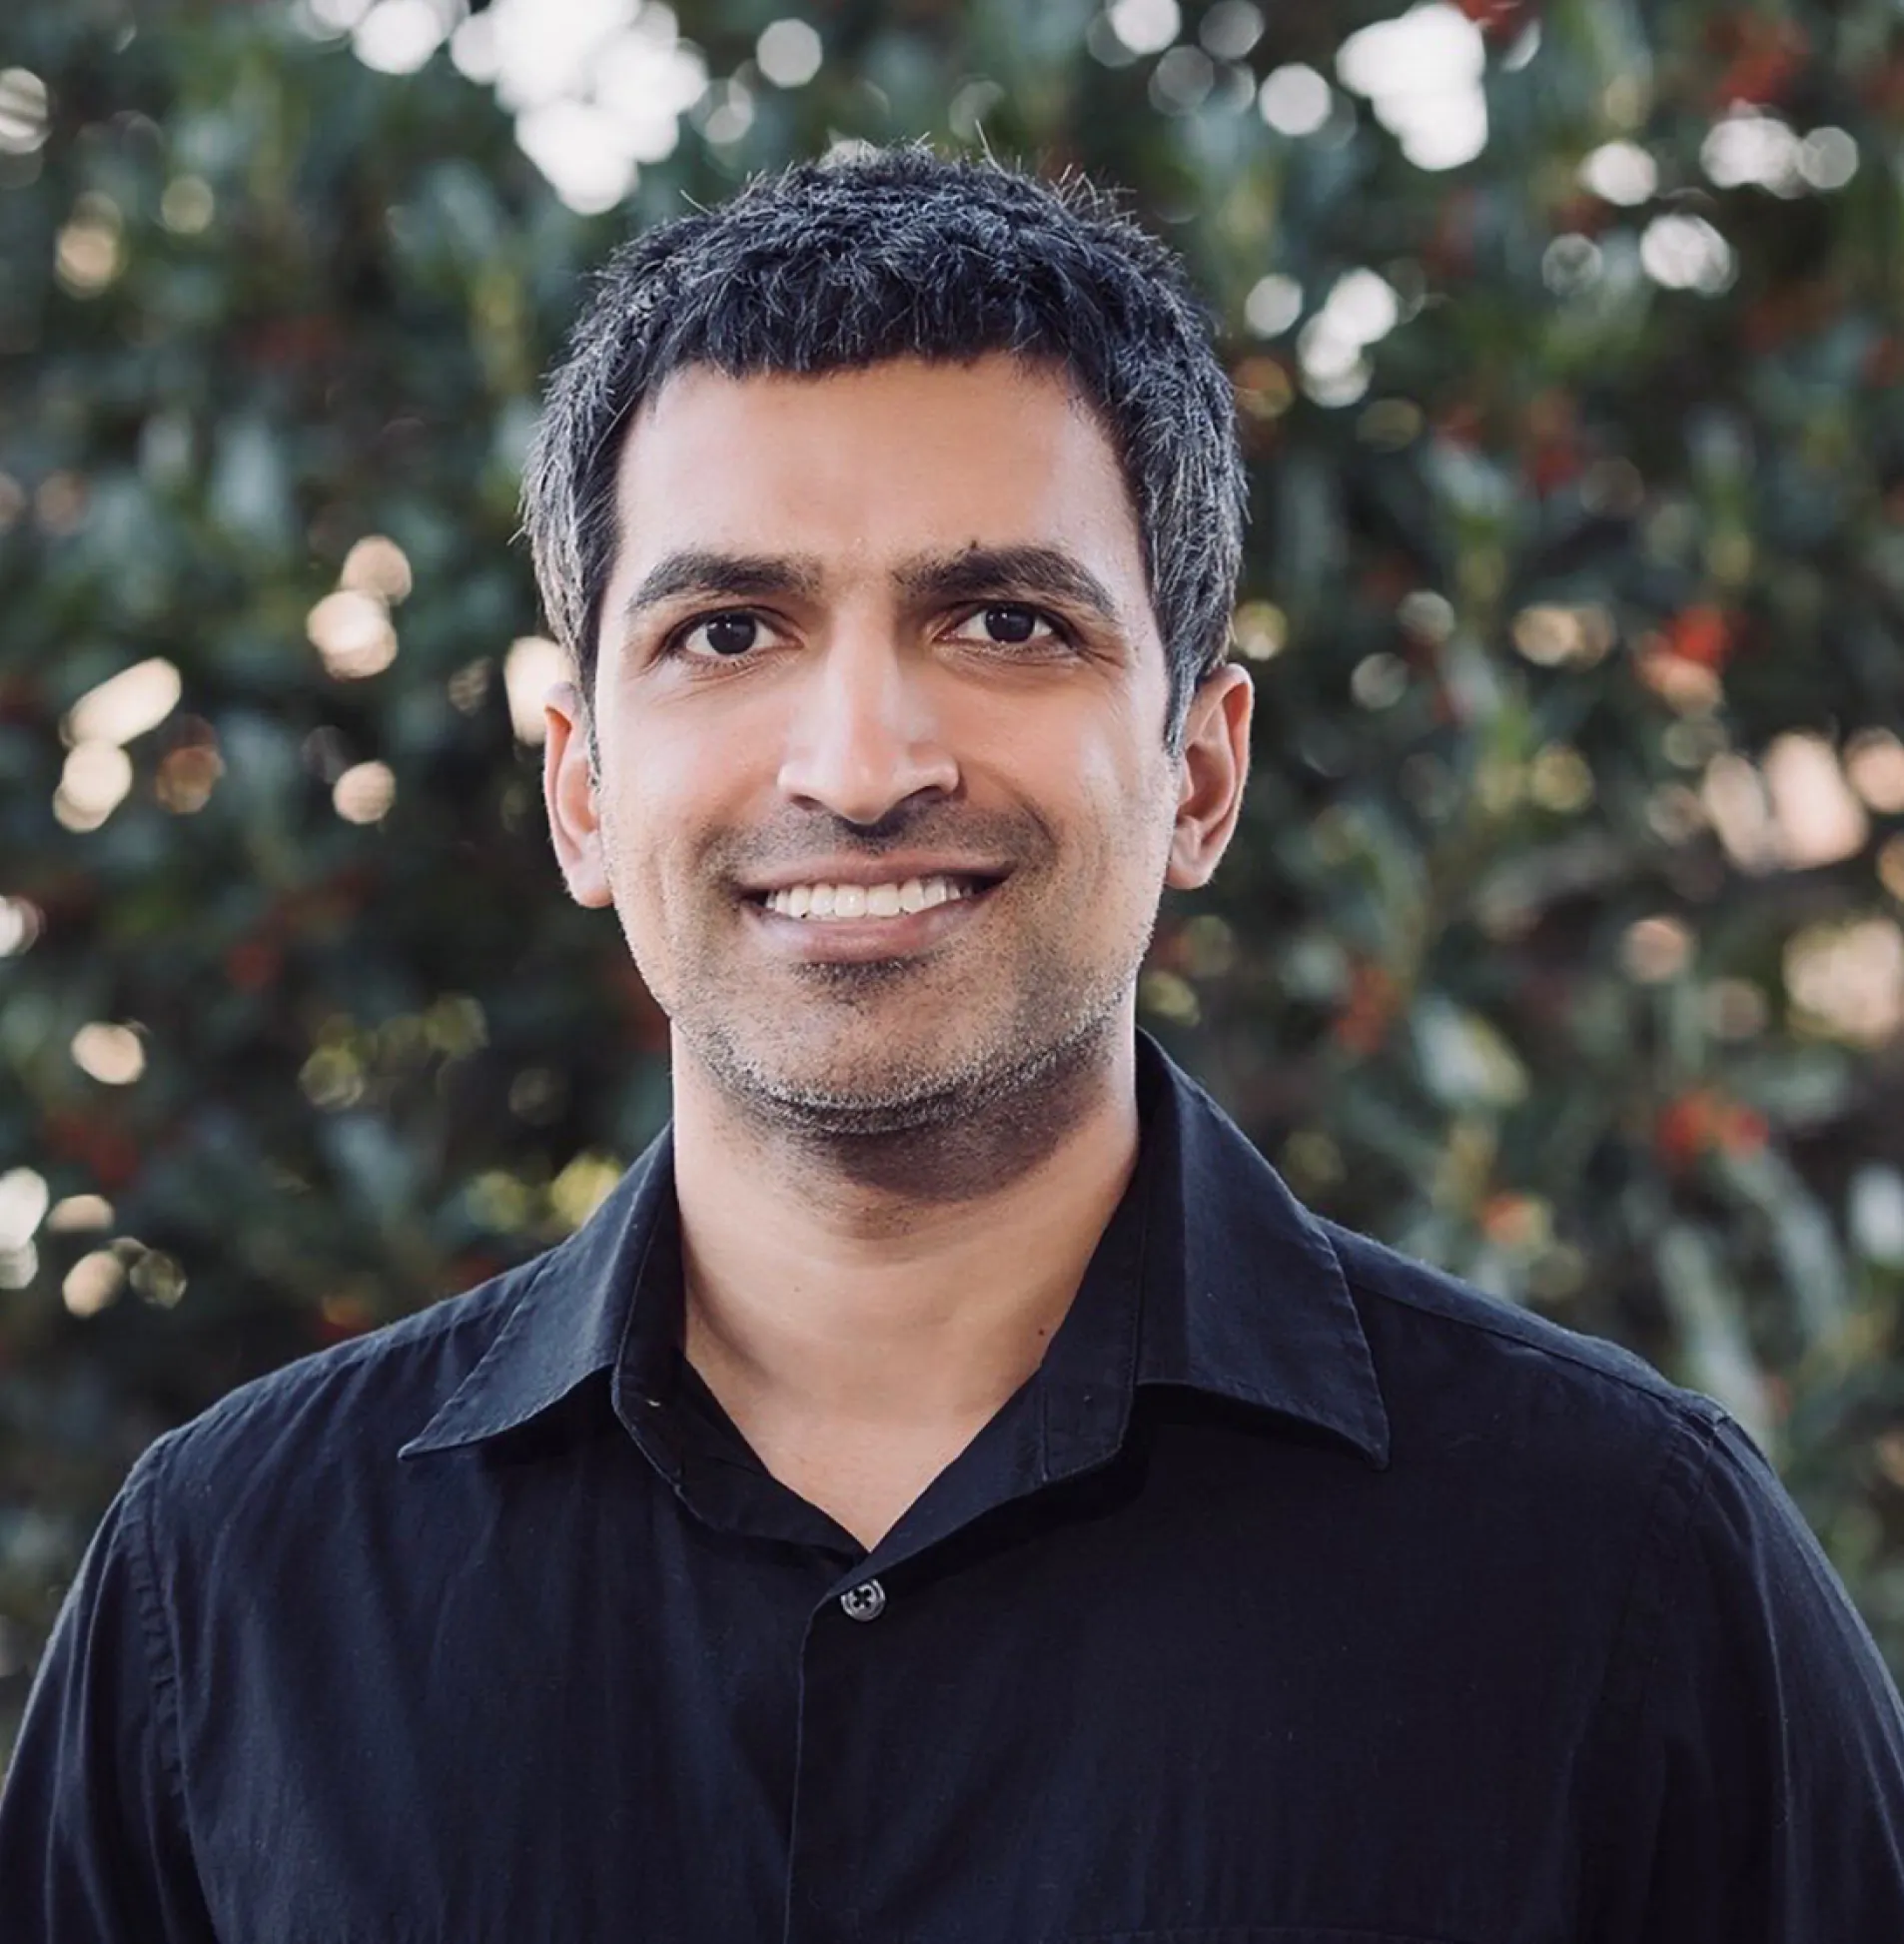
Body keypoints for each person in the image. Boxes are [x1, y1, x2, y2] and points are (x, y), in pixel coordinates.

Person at [4, 144, 1902, 1944]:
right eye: (728, 631)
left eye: (1001, 620)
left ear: (1200, 770)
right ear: (582, 789)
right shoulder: (230, 1586)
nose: (858, 765)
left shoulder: (1626, 1566)